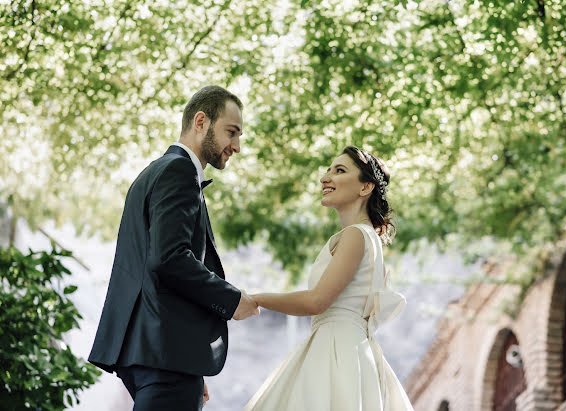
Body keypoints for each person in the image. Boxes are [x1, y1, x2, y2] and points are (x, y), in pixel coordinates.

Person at [88, 85, 259, 411]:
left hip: (157, 354)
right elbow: (169, 258)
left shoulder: (153, 172)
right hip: (163, 359)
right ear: (200, 122)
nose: (236, 146)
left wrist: (189, 363)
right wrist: (232, 299)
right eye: (231, 132)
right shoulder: (179, 172)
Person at [245, 146, 414, 410]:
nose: (326, 178)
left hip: (337, 351)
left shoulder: (356, 235)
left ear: (365, 187)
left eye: (339, 170)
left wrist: (256, 298)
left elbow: (317, 301)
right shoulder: (366, 237)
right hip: (351, 349)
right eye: (328, 170)